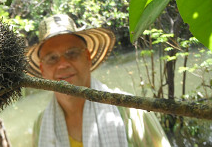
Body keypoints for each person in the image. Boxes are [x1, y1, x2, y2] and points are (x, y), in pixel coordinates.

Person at [26, 14, 171, 147]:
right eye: (52, 58)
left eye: (72, 53)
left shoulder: (131, 113)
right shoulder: (41, 125)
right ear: (43, 70)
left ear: (88, 58)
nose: (63, 64)